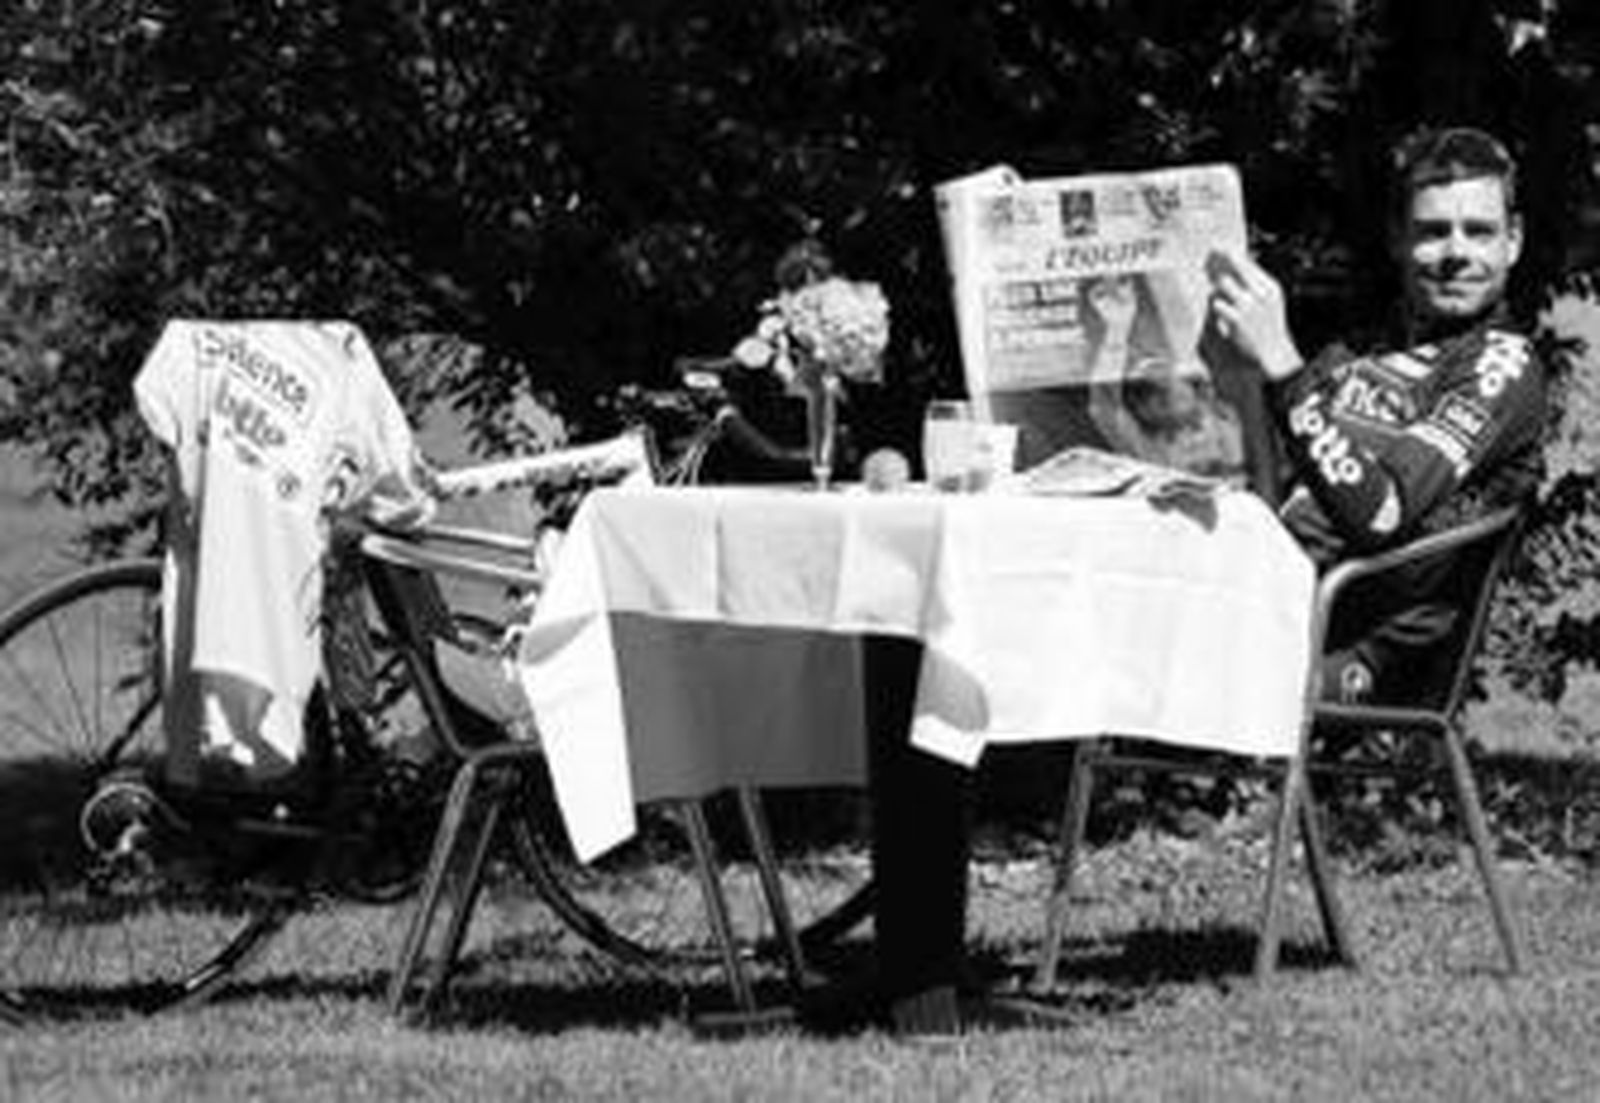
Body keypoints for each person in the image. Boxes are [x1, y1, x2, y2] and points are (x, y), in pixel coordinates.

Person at [817, 125, 1547, 1036]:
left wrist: (1281, 364)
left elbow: (1382, 512)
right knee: (924, 609)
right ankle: (911, 966)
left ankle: (918, 974)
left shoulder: (1503, 366)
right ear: (1400, 242)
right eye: (1434, 230)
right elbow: (1270, 475)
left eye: (1478, 232)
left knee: (953, 629)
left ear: (1515, 241)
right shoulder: (1360, 355)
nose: (1454, 253)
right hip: (1237, 596)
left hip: (1334, 649)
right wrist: (1011, 238)